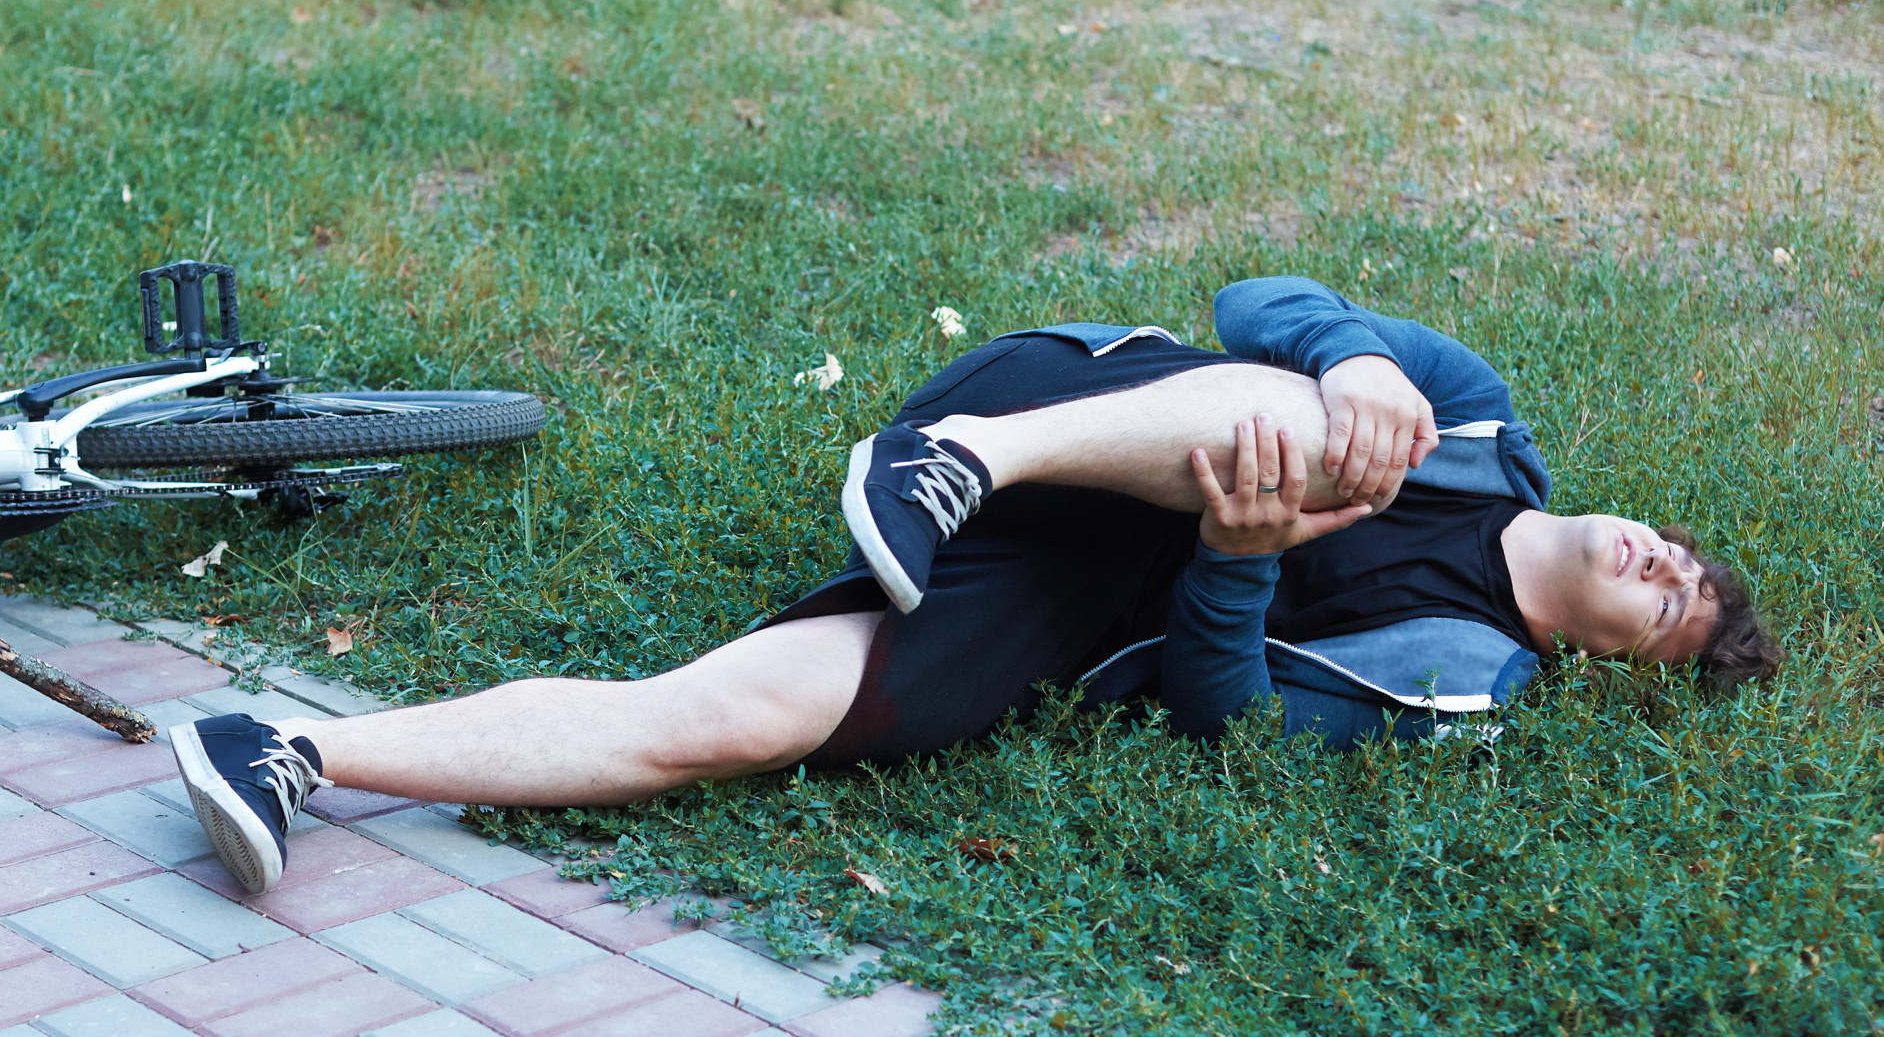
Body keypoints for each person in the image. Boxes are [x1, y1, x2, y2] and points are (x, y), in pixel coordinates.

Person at [168, 276, 1781, 895]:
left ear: (1612, 662)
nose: (1657, 564)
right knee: (1304, 418)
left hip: (1083, 604)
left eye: (1663, 604)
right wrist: (1355, 354)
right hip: (1063, 428)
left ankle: (294, 755)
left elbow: (1228, 721)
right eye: (1678, 550)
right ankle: (947, 472)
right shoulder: (1480, 421)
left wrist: (1230, 569)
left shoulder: (1454, 681)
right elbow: (1257, 297)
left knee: (734, 724)